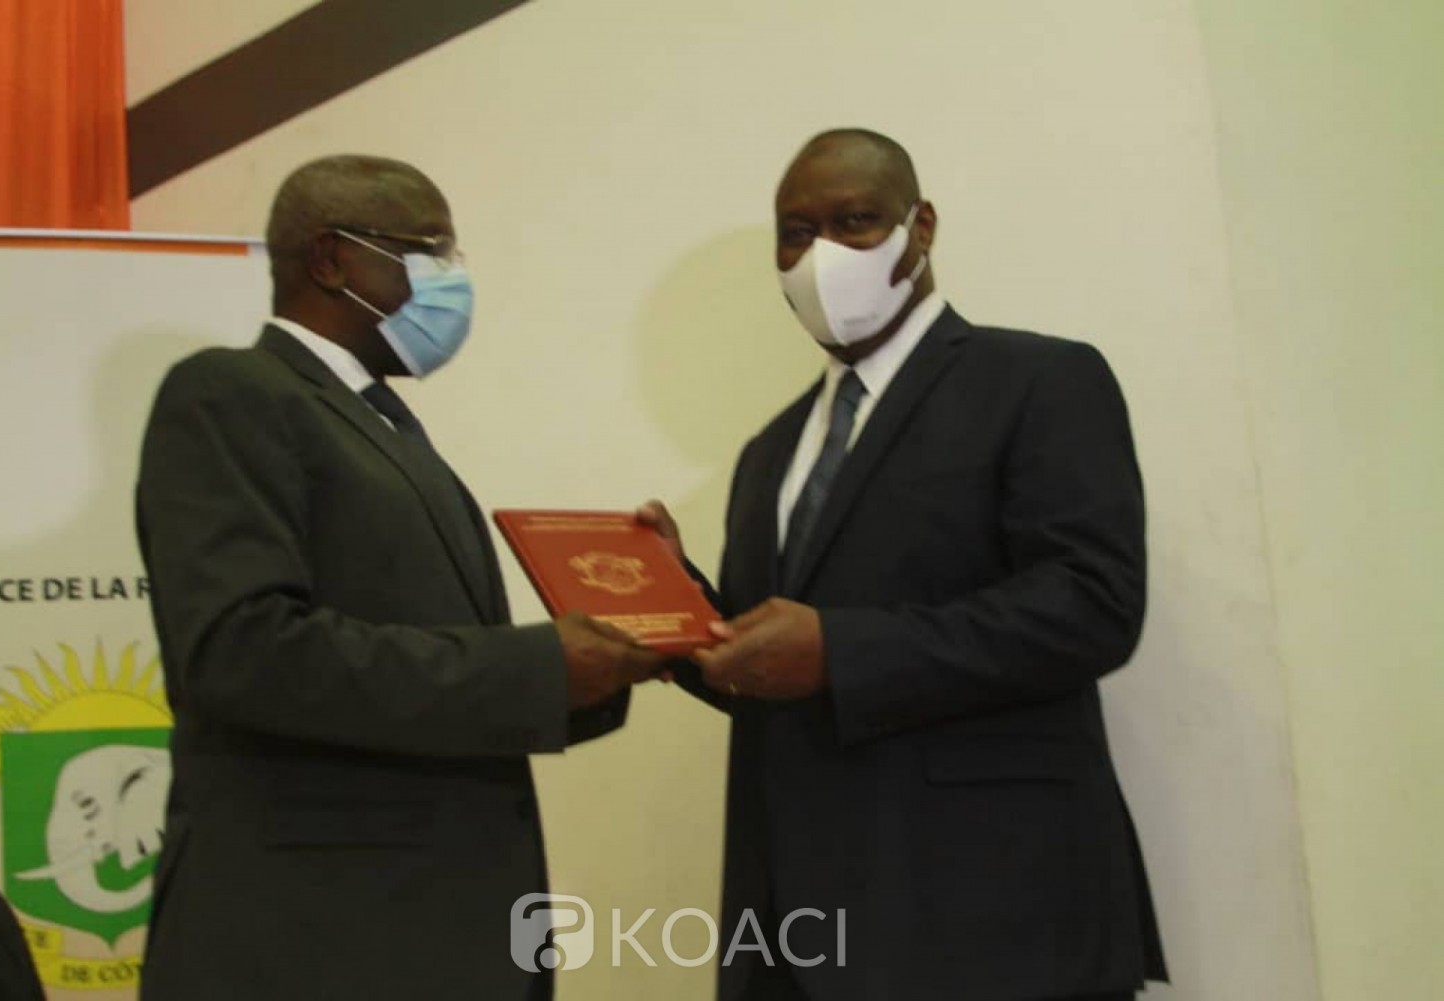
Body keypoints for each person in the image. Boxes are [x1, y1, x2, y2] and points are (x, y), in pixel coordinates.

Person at [643, 129, 1167, 1000]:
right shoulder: (769, 450)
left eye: (854, 221)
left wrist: (840, 650)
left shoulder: (1040, 379)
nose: (821, 256)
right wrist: (678, 608)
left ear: (920, 227)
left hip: (994, 918)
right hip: (799, 929)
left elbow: (1093, 604)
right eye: (796, 233)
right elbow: (773, 667)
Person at [135, 154, 662, 1001]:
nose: (452, 279)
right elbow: (243, 651)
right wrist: (538, 666)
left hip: (431, 929)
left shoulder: (381, 422)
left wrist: (618, 652)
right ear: (332, 259)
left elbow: (445, 665)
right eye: (428, 251)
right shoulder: (230, 392)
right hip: (317, 940)